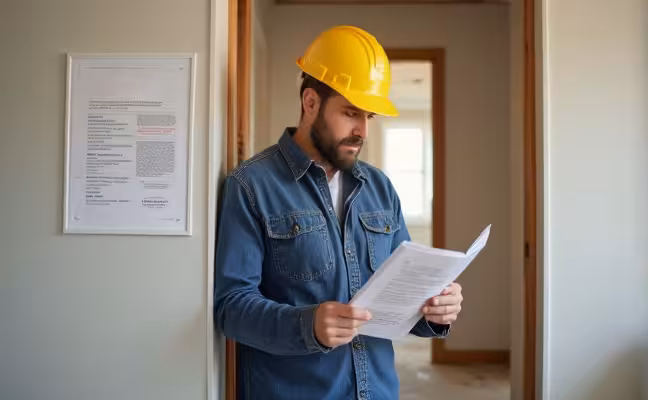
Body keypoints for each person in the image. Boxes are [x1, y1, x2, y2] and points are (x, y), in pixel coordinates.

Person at [214, 25, 464, 400]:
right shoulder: (251, 185)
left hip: (378, 391)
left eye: (368, 118)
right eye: (350, 113)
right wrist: (307, 325)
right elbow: (231, 307)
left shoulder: (380, 188)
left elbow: (402, 296)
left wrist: (433, 311)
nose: (361, 131)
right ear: (311, 102)